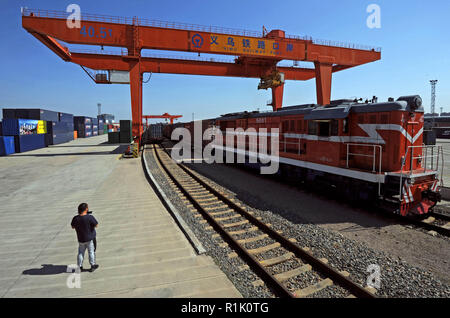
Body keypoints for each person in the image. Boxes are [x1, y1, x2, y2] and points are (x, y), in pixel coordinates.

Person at [71, 203, 99, 272]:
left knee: (80, 253)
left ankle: (79, 266)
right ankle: (92, 265)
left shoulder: (75, 218)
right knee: (91, 252)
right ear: (86, 209)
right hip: (89, 239)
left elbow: (72, 227)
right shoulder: (89, 217)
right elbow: (96, 225)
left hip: (81, 239)